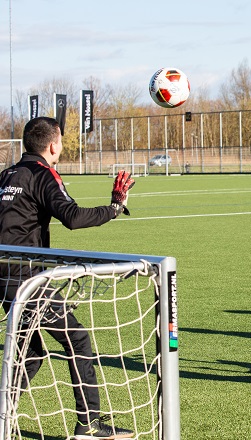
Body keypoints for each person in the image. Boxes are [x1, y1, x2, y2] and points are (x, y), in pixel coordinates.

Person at [0, 117, 135, 439]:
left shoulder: (6, 175)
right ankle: (88, 423)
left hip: (3, 275)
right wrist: (115, 207)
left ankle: (2, 418)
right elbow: (73, 218)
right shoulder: (42, 174)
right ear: (53, 145)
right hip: (25, 277)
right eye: (60, 141)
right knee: (77, 340)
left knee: (30, 354)